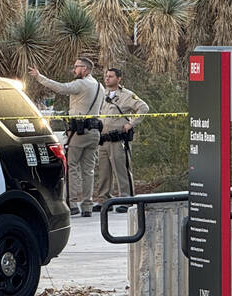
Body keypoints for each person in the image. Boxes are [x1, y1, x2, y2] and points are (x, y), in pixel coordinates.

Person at [29, 58, 102, 217]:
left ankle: (72, 203)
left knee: (72, 166)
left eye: (77, 67)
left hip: (79, 132)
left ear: (86, 69)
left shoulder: (81, 84)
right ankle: (87, 205)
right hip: (94, 131)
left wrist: (39, 77)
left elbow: (61, 88)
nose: (74, 70)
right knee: (88, 170)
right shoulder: (99, 86)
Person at [94, 67, 149, 212]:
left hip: (119, 139)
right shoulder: (102, 94)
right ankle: (104, 200)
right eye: (106, 76)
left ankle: (127, 199)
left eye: (111, 76)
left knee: (122, 170)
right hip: (104, 138)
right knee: (104, 171)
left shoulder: (126, 95)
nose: (107, 79)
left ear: (118, 79)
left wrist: (131, 123)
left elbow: (144, 108)